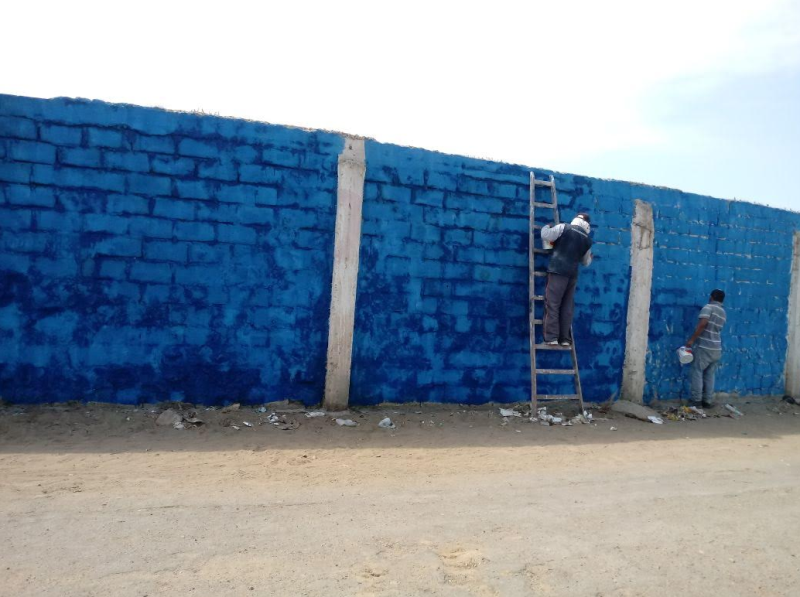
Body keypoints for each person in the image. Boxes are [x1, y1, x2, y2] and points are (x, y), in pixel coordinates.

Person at [540, 213, 593, 346]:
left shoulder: (564, 227)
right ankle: (564, 339)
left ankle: (551, 337)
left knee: (552, 303)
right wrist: (590, 258)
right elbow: (585, 262)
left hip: (557, 270)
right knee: (567, 306)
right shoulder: (587, 240)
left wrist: (546, 227)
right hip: (572, 275)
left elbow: (546, 236)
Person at [685, 289, 727, 407]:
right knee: (710, 375)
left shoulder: (708, 308)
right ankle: (707, 401)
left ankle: (696, 400)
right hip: (716, 348)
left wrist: (692, 340)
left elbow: (702, 324)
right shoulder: (723, 312)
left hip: (705, 346)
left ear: (711, 297)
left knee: (697, 372)